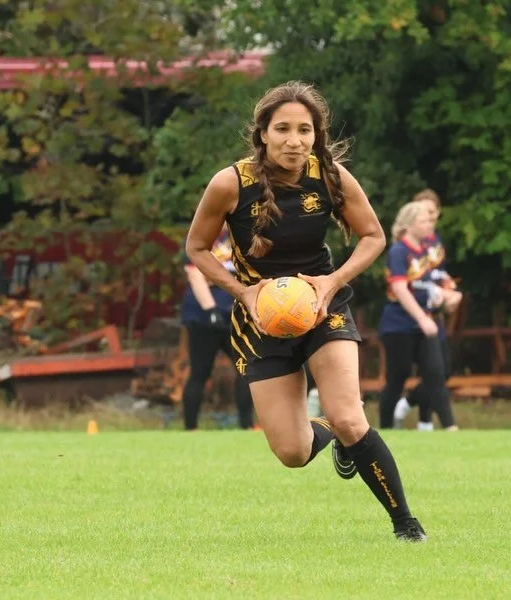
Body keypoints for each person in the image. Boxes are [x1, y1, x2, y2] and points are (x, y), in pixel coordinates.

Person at [185, 81, 427, 542]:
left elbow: (374, 236)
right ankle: (330, 434)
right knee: (293, 452)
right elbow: (196, 248)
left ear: (317, 134)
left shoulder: (331, 175)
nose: (294, 140)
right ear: (263, 134)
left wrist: (333, 282)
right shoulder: (230, 183)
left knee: (350, 415)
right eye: (282, 129)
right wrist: (245, 293)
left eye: (305, 130)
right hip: (261, 319)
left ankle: (407, 526)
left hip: (322, 307)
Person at [378, 201, 457, 431]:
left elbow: (429, 285)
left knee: (436, 375)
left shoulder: (426, 253)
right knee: (397, 379)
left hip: (425, 325)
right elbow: (401, 289)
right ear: (409, 225)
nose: (429, 225)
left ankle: (451, 428)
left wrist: (447, 295)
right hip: (399, 325)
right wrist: (422, 318)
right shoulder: (399, 251)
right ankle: (384, 430)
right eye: (424, 221)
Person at [180, 228, 255, 430]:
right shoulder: (201, 233)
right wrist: (210, 308)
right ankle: (190, 428)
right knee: (200, 371)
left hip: (235, 315)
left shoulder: (242, 234)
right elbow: (195, 274)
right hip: (203, 317)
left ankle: (246, 426)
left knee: (246, 369)